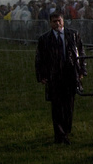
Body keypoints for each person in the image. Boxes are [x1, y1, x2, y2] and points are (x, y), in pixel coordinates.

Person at [35, 12, 87, 144]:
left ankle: (66, 129)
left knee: (69, 104)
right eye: (54, 21)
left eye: (59, 21)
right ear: (50, 23)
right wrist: (41, 75)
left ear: (63, 21)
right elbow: (39, 59)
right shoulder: (44, 39)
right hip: (54, 76)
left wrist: (82, 70)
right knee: (57, 106)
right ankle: (60, 134)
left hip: (70, 74)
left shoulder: (73, 35)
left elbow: (81, 53)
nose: (57, 23)